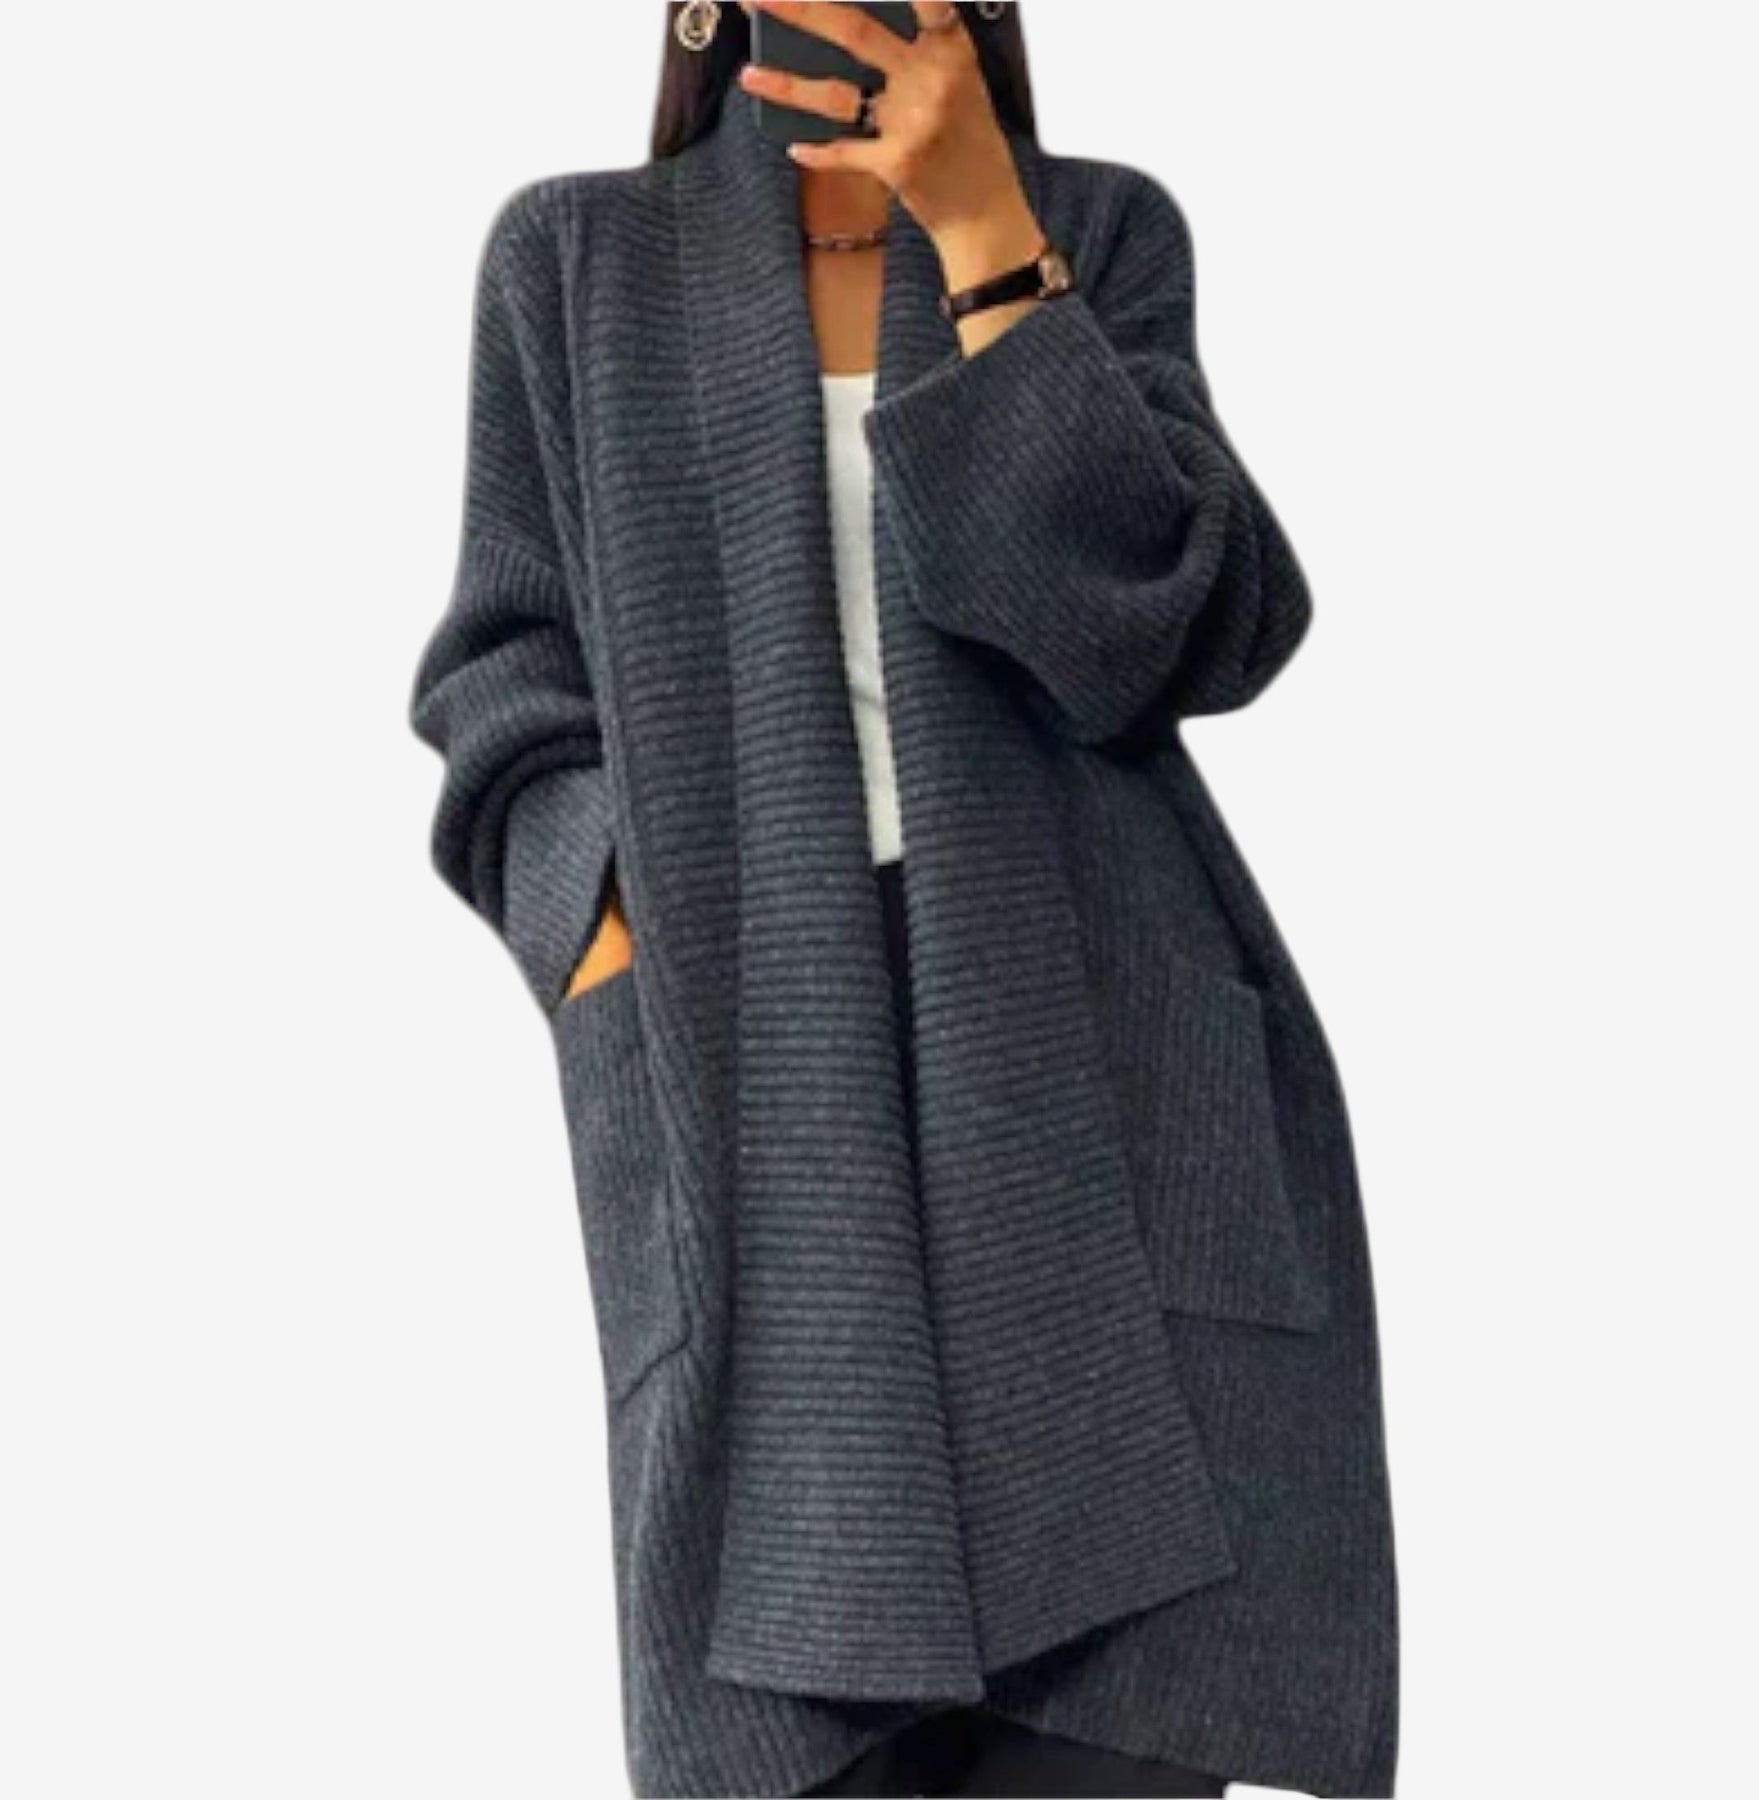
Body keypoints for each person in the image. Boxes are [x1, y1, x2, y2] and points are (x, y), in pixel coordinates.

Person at [407, 4, 1400, 1795]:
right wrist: (604, 936)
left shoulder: (1095, 228)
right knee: (787, 1691)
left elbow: (1165, 635)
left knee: (1123, 1696)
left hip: (1095, 1089)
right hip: (767, 1099)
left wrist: (986, 231)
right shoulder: (575, 262)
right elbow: (506, 683)